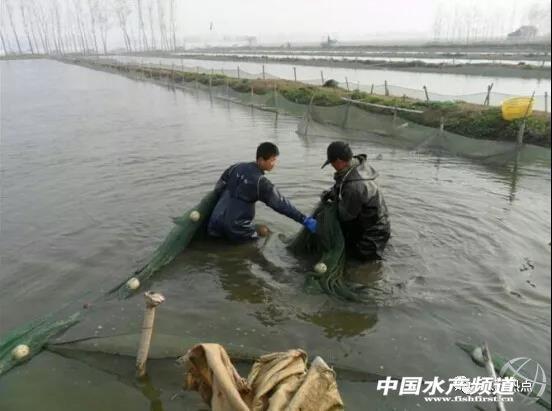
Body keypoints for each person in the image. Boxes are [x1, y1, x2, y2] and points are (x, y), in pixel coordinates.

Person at [208, 142, 317, 242]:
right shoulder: (261, 182)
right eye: (272, 160)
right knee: (265, 232)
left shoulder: (235, 167)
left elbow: (218, 189)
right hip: (236, 230)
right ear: (260, 160)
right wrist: (303, 219)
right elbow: (280, 203)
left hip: (214, 224)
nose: (275, 163)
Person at [321, 141, 390, 261]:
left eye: (332, 163)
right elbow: (342, 184)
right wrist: (332, 193)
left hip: (372, 236)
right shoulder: (354, 166)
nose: (332, 166)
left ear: (339, 161)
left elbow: (345, 217)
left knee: (360, 265)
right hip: (368, 224)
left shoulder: (354, 186)